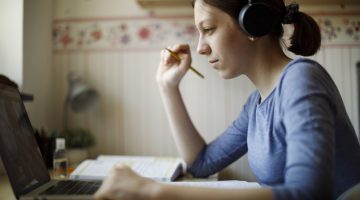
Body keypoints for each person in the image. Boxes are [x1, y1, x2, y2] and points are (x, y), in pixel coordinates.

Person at [95, 0, 360, 199]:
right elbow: (201, 163)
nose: (200, 47)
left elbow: (309, 194)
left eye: (208, 29)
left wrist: (153, 191)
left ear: (252, 23)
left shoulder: (301, 80)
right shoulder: (256, 106)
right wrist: (168, 86)